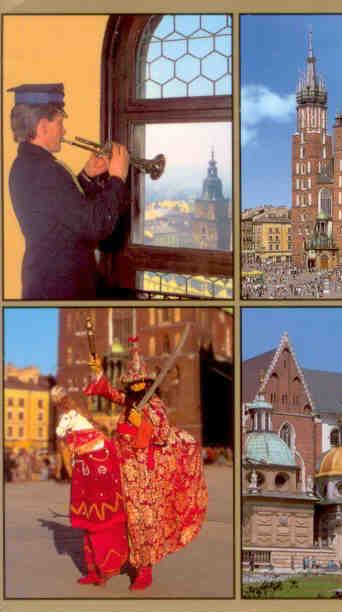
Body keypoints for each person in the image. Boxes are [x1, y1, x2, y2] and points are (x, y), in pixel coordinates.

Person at [85, 338, 207, 590]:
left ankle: (144, 569)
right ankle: (111, 561)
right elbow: (109, 392)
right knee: (116, 518)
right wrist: (98, 372)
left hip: (142, 476)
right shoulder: (129, 402)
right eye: (133, 384)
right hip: (120, 469)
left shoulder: (154, 405)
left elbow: (162, 434)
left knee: (142, 521)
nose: (138, 386)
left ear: (148, 384)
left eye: (141, 383)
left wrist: (143, 423)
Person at [8, 83, 130, 299]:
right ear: (43, 127)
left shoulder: (26, 165)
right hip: (61, 288)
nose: (63, 131)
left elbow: (61, 211)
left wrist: (86, 176)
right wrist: (117, 179)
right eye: (60, 123)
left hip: (47, 282)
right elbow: (96, 225)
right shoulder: (46, 171)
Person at [53, 386, 128, 586]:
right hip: (86, 493)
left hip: (101, 497)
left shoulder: (95, 441)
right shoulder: (78, 440)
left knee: (100, 531)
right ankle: (93, 570)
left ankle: (103, 569)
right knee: (88, 531)